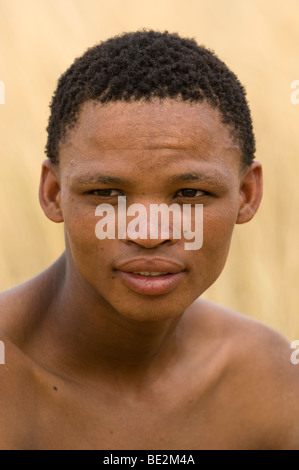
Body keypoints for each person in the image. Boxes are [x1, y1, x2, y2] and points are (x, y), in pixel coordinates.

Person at [0, 30, 298, 450]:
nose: (150, 233)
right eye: (106, 194)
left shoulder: (266, 380)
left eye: (190, 194)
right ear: (53, 194)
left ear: (247, 195)